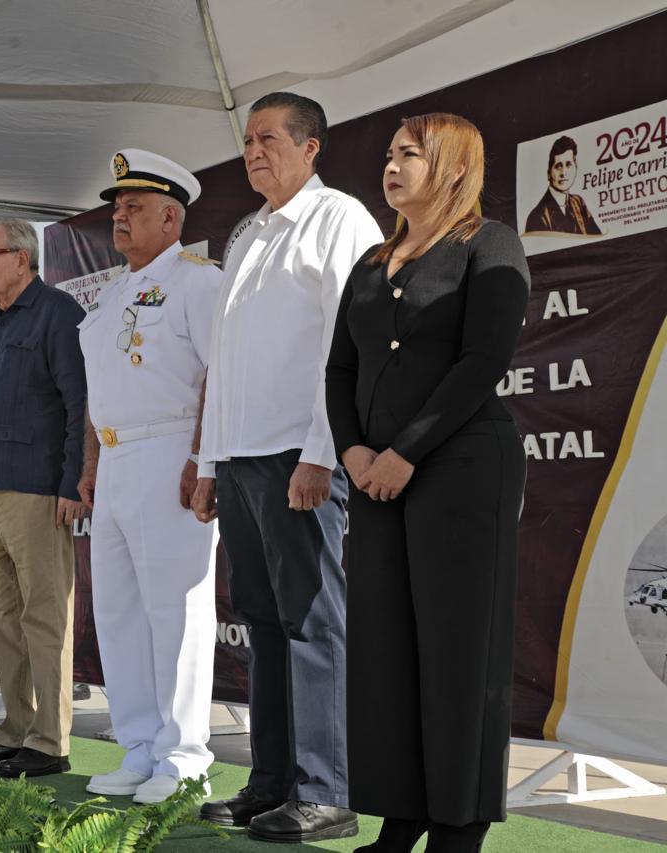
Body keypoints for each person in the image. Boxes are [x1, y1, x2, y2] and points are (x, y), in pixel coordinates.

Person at [325, 113, 529, 853]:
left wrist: (404, 452)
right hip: (377, 478)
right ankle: (400, 815)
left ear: (450, 165)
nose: (392, 165)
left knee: (457, 647)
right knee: (386, 649)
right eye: (388, 154)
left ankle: (458, 822)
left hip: (462, 466)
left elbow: (483, 359)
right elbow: (340, 368)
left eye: (409, 153)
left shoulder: (489, 244)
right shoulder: (372, 263)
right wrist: (352, 450)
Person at [193, 91, 383, 843]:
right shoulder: (248, 235)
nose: (253, 151)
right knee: (263, 622)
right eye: (247, 139)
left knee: (310, 621)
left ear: (311, 148)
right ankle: (271, 781)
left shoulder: (340, 220)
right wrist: (208, 462)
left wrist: (319, 451)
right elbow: (229, 361)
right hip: (241, 458)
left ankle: (324, 790)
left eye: (268, 138)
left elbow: (348, 348)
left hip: (296, 455)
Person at [76, 149, 222, 804]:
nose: (120, 216)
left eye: (134, 206)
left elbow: (221, 373)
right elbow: (96, 390)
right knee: (120, 613)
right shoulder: (111, 293)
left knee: (176, 610)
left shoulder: (198, 281)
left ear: (172, 215)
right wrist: (89, 464)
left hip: (170, 450)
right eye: (116, 206)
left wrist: (203, 457)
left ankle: (184, 756)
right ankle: (138, 747)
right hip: (113, 459)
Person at [0, 217, 87, 778]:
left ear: (22, 258)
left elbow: (80, 404)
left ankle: (50, 741)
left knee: (43, 614)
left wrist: (72, 483)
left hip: (36, 489)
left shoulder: (58, 314)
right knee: (3, 617)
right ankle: (15, 728)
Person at [523, 135, 602, 235]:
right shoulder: (537, 217)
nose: (564, 172)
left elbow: (598, 238)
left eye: (568, 164)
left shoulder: (578, 202)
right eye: (558, 166)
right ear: (549, 174)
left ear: (576, 168)